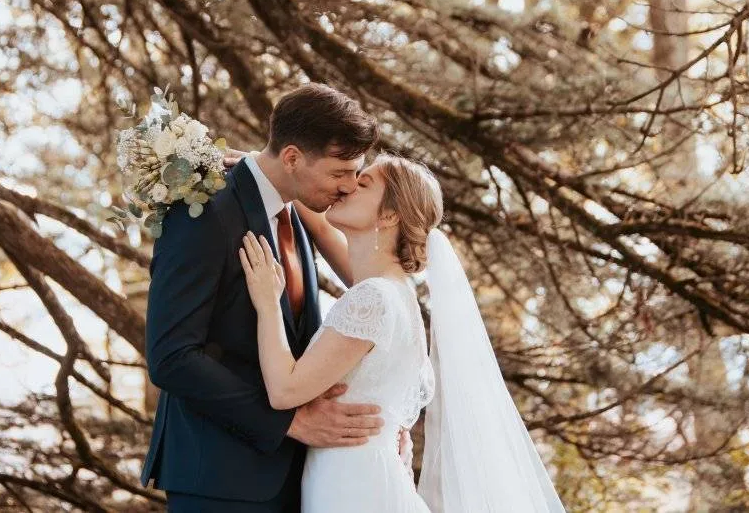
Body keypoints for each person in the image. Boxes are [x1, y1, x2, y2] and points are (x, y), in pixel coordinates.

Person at [238, 153, 568, 512]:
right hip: (358, 477)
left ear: (390, 215)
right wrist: (265, 169)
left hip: (353, 489)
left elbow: (285, 391)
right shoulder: (394, 293)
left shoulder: (374, 298)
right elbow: (321, 227)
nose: (347, 186)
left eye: (364, 183)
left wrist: (269, 303)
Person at [141, 83, 396, 513]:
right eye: (339, 173)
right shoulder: (203, 212)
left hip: (297, 476)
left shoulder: (295, 210)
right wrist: (290, 422)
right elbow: (172, 356)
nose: (349, 187)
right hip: (220, 479)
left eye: (356, 173)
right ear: (292, 158)